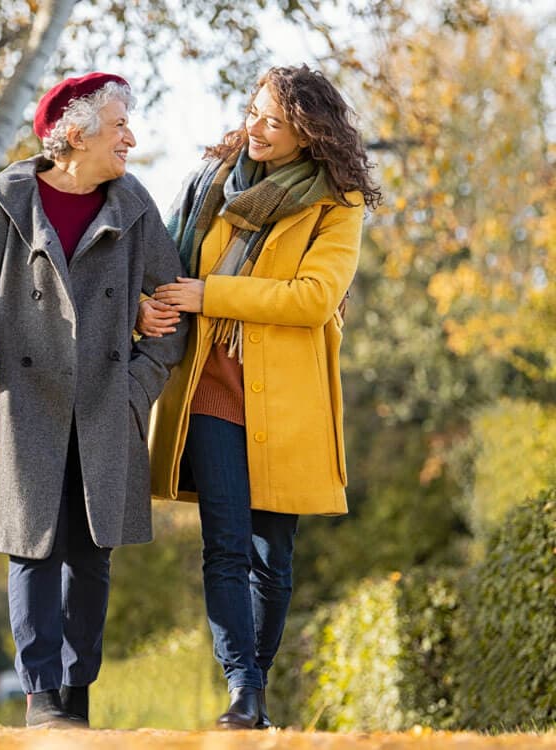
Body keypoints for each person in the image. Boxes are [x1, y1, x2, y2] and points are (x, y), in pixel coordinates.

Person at [138, 64, 382, 729]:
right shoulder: (213, 182)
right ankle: (243, 693)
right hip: (212, 385)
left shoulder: (337, 204)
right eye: (253, 112)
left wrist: (211, 295)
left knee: (273, 558)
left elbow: (312, 298)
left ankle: (257, 689)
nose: (256, 129)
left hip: (288, 401)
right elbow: (164, 259)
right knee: (225, 544)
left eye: (274, 122)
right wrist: (146, 303)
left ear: (309, 134)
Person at [0, 72, 188, 729]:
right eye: (119, 127)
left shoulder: (134, 204)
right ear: (74, 136)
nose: (131, 139)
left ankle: (78, 694)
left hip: (106, 404)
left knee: (91, 553)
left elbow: (174, 306)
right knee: (34, 548)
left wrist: (138, 387)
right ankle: (42, 695)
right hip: (24, 402)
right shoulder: (8, 199)